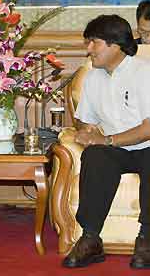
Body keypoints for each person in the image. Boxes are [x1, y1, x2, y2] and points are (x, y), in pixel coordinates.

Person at [62, 14, 150, 269]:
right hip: (117, 150)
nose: (88, 49)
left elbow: (148, 128)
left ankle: (146, 237)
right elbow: (83, 120)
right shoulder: (93, 77)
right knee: (95, 155)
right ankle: (90, 238)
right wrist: (85, 132)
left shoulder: (143, 73)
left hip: (147, 145)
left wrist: (107, 138)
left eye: (94, 43)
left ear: (115, 44)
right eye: (87, 43)